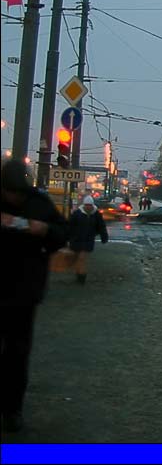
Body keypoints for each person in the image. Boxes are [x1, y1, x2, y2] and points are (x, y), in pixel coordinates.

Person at [1, 159, 68, 433]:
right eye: (10, 192)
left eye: (19, 192)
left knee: (17, 353)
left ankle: (12, 409)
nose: (15, 198)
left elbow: (62, 234)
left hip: (24, 291)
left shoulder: (39, 203)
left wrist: (46, 230)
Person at [68, 196, 109, 284]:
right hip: (76, 240)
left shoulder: (96, 214)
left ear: (92, 205)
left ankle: (81, 277)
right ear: (84, 205)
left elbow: (101, 226)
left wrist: (104, 236)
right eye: (86, 205)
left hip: (88, 240)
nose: (88, 207)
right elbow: (70, 226)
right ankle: (79, 275)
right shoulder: (77, 214)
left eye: (89, 205)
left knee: (82, 258)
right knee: (78, 258)